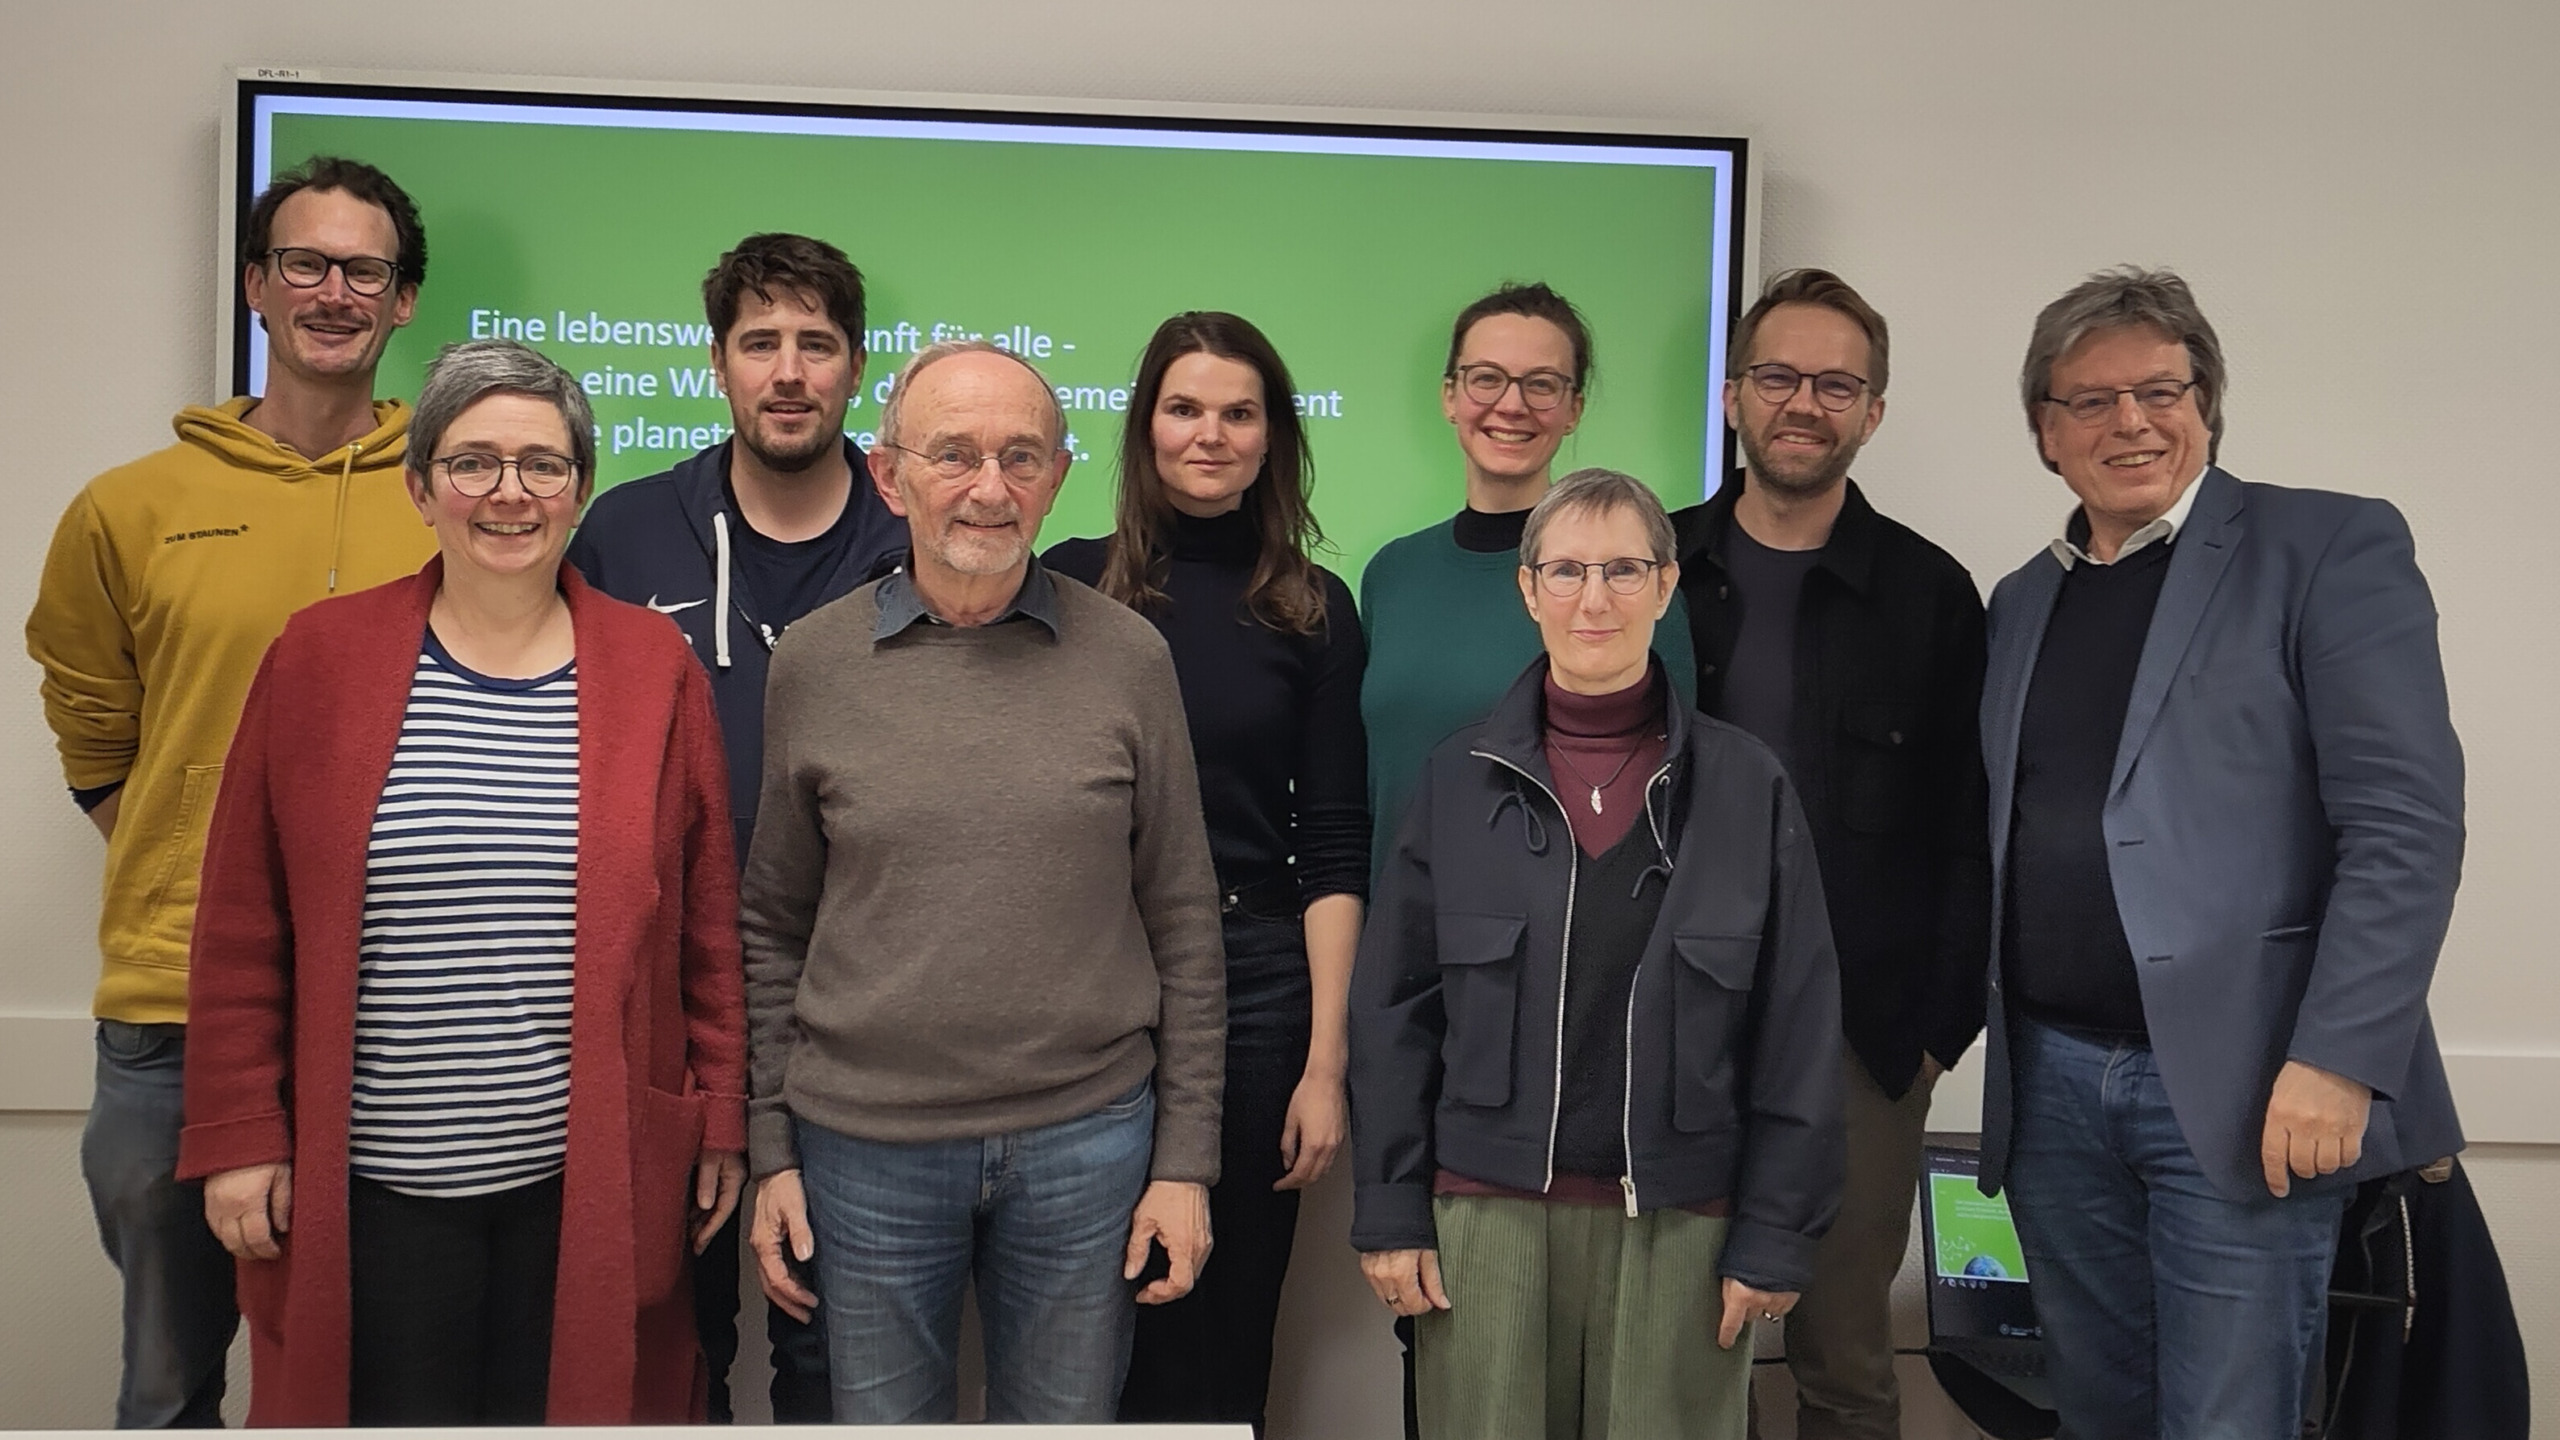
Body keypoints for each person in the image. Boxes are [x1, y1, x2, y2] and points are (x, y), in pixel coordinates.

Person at [173, 339, 749, 1425]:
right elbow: (244, 925)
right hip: (373, 1194)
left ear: (580, 490)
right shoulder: (319, 658)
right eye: (474, 462)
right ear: (420, 485)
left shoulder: (648, 666)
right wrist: (240, 1133)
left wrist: (718, 1115)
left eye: (541, 466)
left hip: (584, 1185)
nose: (508, 494)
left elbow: (704, 928)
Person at [1978, 266, 2466, 1439]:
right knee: (2099, 1412)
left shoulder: (2325, 545)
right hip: (2049, 1087)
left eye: (2160, 390)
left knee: (2232, 1423)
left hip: (2250, 1087)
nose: (2130, 422)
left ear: (2206, 405)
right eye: (2089, 402)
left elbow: (2406, 823)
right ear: (2046, 433)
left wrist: (2340, 1059)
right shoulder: (2018, 602)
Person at [741, 340, 1226, 1425]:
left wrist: (1185, 1163)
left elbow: (1185, 921)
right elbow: (772, 924)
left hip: (1088, 1142)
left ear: (1059, 475)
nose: (988, 488)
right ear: (888, 475)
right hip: (862, 1153)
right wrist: (771, 1148)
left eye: (1020, 456)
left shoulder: (1130, 657)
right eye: (952, 454)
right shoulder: (813, 664)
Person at [24, 155, 436, 1428]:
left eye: (362, 269)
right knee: (167, 1385)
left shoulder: (456, 499)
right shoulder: (130, 508)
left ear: (403, 302)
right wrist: (197, 855)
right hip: (175, 1017)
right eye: (304, 263)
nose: (332, 291)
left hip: (399, 1015)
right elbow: (93, 724)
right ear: (257, 285)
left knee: (379, 1385)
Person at [1350, 469, 1844, 1440]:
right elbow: (1396, 1013)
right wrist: (1391, 1210)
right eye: (1566, 570)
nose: (1593, 598)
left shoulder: (1747, 788)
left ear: (1665, 588)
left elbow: (1798, 1024)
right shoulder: (1458, 779)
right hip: (1484, 1220)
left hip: (1682, 1219)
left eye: (1623, 569)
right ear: (1528, 589)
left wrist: (1776, 1233)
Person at [566, 230, 903, 1422]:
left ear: (858, 368)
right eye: (761, 343)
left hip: (859, 1008)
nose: (789, 371)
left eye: (816, 344)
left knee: (829, 1346)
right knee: (673, 1335)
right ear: (717, 364)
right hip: (672, 1004)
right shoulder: (624, 531)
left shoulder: (916, 541)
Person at [1667, 269, 1989, 1440]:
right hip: (1673, 1024)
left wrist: (1934, 1030)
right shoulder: (1652, 568)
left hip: (1862, 1034)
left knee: (1844, 1359)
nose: (1804, 403)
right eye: (1778, 377)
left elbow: (1972, 826)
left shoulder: (1931, 595)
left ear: (1873, 410)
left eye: (1835, 383)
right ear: (1731, 395)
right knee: (1673, 1348)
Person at [1045, 311, 1368, 1434]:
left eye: (1240, 412)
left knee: (1225, 1320)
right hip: (1092, 973)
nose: (1211, 434)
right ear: (1143, 429)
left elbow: (1332, 839)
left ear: (1274, 436)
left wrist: (1324, 1063)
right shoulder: (1065, 591)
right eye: (1184, 408)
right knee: (1083, 1314)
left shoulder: (1314, 608)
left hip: (1255, 986)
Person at [1361, 282, 1700, 877]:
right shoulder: (1392, 574)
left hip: (1551, 946)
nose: (1511, 405)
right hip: (1401, 936)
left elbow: (1673, 797)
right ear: (1449, 396)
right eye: (1486, 377)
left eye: (1541, 384)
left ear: (1573, 409)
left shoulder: (1625, 589)